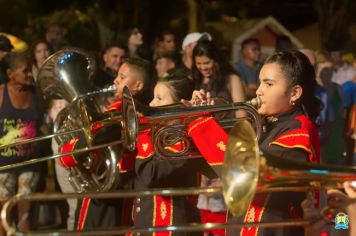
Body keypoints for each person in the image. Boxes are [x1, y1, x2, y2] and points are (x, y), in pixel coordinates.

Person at [58, 57, 151, 231]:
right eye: (117, 75)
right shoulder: (133, 109)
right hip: (118, 189)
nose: (115, 80)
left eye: (122, 77)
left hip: (107, 196)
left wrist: (66, 153)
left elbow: (93, 139)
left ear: (138, 86)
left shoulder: (119, 112)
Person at [132, 76, 217, 236]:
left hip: (174, 228)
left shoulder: (184, 137)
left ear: (179, 105)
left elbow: (150, 175)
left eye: (159, 98)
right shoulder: (158, 136)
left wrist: (205, 124)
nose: (151, 104)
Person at [0, 52, 45, 235]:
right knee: (4, 214)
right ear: (10, 74)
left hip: (30, 163)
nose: (29, 74)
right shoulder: (1, 93)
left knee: (24, 213)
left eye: (30, 69)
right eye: (25, 71)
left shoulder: (37, 94)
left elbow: (41, 124)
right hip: (3, 164)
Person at [191, 40, 245, 115]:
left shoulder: (232, 79)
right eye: (198, 63)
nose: (203, 68)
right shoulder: (193, 79)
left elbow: (241, 113)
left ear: (216, 60)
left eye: (207, 63)